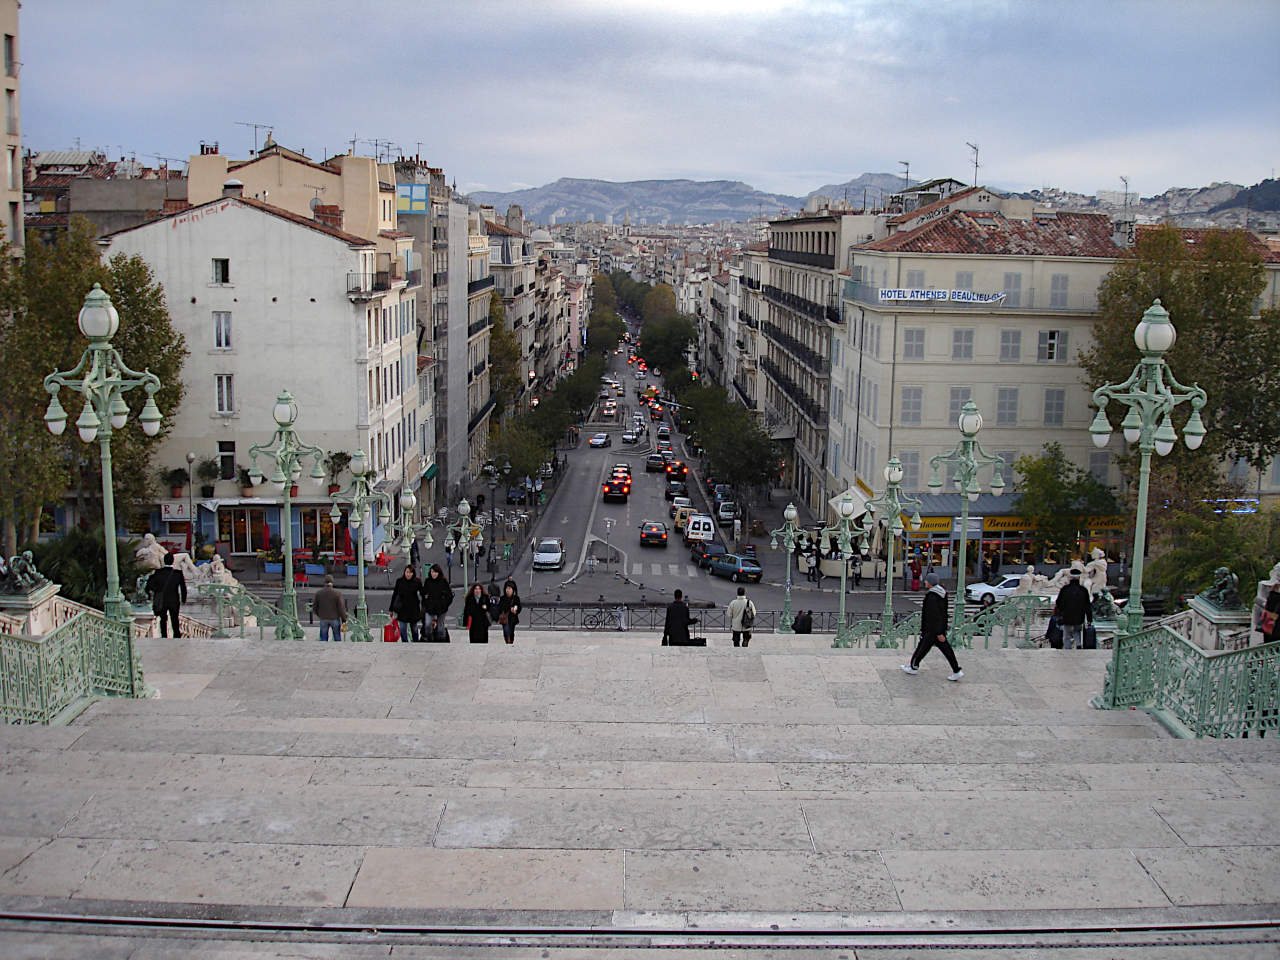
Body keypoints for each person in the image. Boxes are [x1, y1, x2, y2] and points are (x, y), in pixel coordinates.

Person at [902, 572, 962, 680]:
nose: (924, 582)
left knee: (923, 648)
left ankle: (913, 667)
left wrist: (939, 632)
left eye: (926, 580)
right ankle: (956, 670)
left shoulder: (932, 596)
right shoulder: (941, 593)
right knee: (930, 649)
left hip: (932, 630)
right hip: (936, 629)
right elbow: (943, 613)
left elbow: (934, 615)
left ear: (930, 583)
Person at [146, 552, 188, 638]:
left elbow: (149, 585)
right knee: (175, 619)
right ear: (173, 561)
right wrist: (184, 599)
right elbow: (183, 588)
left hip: (162, 600)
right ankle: (176, 636)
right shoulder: (178, 573)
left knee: (163, 619)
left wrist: (157, 591)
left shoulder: (158, 573)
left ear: (164, 561)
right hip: (174, 600)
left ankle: (164, 636)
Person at [1054, 563, 1093, 650]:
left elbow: (1059, 602)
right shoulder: (1083, 590)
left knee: (1067, 634)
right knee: (1077, 632)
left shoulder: (1065, 589)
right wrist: (1089, 619)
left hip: (1067, 616)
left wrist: (1060, 612)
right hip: (1079, 616)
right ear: (1079, 577)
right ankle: (1078, 644)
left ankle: (1068, 649)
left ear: (1070, 577)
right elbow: (1087, 605)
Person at [389, 566, 424, 642]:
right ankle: (405, 642)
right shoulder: (399, 581)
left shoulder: (417, 582)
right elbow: (395, 595)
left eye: (410, 572)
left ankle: (415, 641)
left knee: (414, 628)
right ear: (404, 572)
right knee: (402, 628)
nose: (408, 574)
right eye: (407, 572)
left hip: (413, 609)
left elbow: (422, 593)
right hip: (402, 608)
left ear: (413, 573)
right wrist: (391, 609)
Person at [420, 563, 453, 641]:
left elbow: (449, 596)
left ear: (438, 573)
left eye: (435, 572)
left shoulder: (443, 582)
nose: (433, 574)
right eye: (431, 572)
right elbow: (424, 593)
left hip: (441, 608)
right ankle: (430, 638)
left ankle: (441, 641)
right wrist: (426, 601)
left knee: (440, 628)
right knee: (427, 625)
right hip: (430, 608)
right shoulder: (428, 581)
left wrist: (444, 604)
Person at [313, 575, 348, 642]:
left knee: (323, 638)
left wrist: (319, 615)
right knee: (337, 637)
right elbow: (341, 608)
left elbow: (315, 607)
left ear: (324, 582)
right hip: (334, 618)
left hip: (323, 618)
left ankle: (323, 650)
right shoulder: (337, 593)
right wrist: (344, 619)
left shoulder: (319, 593)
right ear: (332, 582)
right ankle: (337, 650)